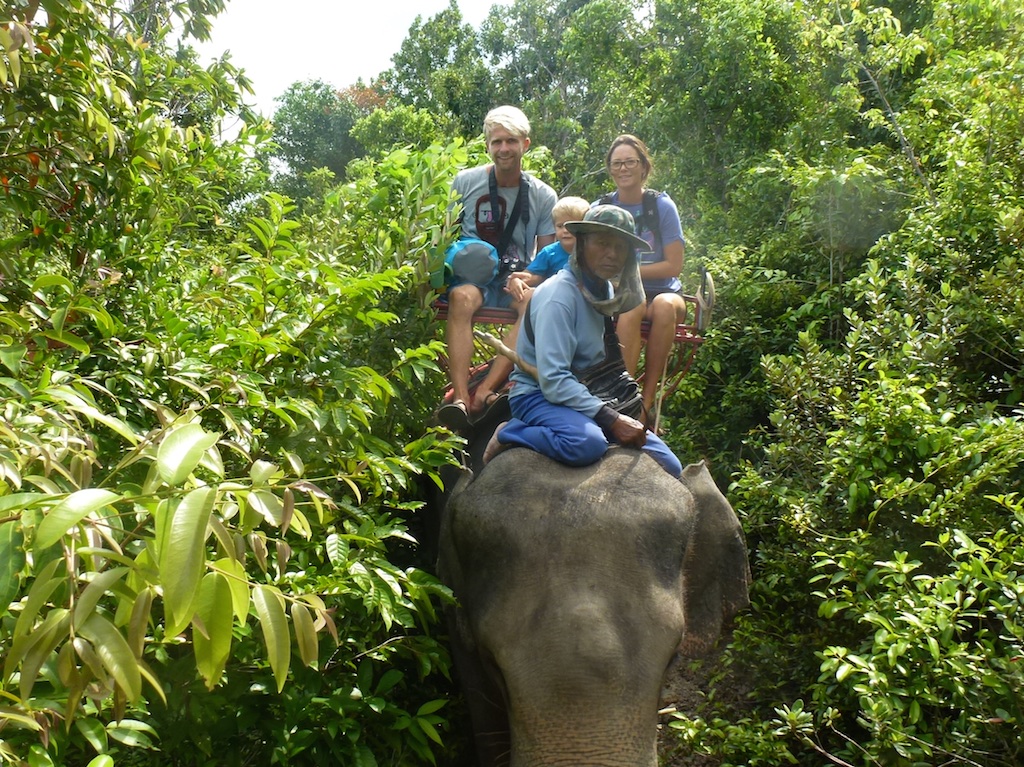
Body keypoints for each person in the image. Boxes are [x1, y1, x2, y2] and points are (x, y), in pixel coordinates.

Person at [483, 205, 683, 478]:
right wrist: (611, 419)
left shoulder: (604, 288)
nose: (611, 254)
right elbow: (553, 381)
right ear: (582, 243)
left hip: (588, 393)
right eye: (602, 243)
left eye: (620, 247)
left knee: (670, 466)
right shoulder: (558, 297)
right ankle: (512, 431)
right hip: (539, 395)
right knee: (587, 443)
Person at [437, 106, 557, 431]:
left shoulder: (543, 195)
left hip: (515, 277)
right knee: (462, 297)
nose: (504, 149)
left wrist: (527, 278)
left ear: (525, 144)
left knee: (534, 301)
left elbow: (547, 255)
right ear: (487, 146)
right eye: (497, 142)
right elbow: (444, 236)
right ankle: (462, 398)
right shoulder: (465, 182)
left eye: (511, 141)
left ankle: (486, 390)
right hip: (474, 276)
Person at [596, 134, 688, 425]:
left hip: (663, 291)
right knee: (631, 306)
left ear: (643, 167)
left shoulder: (660, 206)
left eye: (630, 162)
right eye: (617, 163)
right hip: (620, 293)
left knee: (661, 306)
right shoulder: (600, 208)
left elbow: (674, 265)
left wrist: (629, 273)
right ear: (610, 169)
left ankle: (645, 403)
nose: (623, 169)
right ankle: (622, 394)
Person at [469, 195, 590, 415]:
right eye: (560, 226)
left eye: (571, 225)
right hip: (552, 318)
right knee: (534, 298)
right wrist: (516, 280)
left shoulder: (591, 255)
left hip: (580, 321)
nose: (565, 231)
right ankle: (493, 388)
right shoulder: (551, 252)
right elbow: (530, 275)